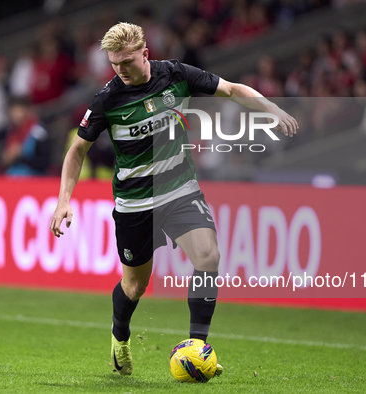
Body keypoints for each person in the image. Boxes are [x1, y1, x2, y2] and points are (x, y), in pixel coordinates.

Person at [48, 22, 298, 377]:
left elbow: (231, 88)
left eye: (127, 62)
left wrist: (270, 108)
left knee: (209, 255)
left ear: (145, 54)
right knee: (134, 285)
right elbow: (77, 151)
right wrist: (63, 201)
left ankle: (198, 347)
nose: (120, 70)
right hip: (135, 203)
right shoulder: (108, 98)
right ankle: (120, 338)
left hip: (180, 189)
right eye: (114, 64)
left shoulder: (176, 75)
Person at [1, 96, 50, 176]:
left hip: (33, 179)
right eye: (12, 111)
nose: (14, 115)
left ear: (27, 111)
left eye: (18, 111)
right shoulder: (12, 132)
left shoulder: (38, 132)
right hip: (13, 177)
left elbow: (43, 162)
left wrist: (20, 155)